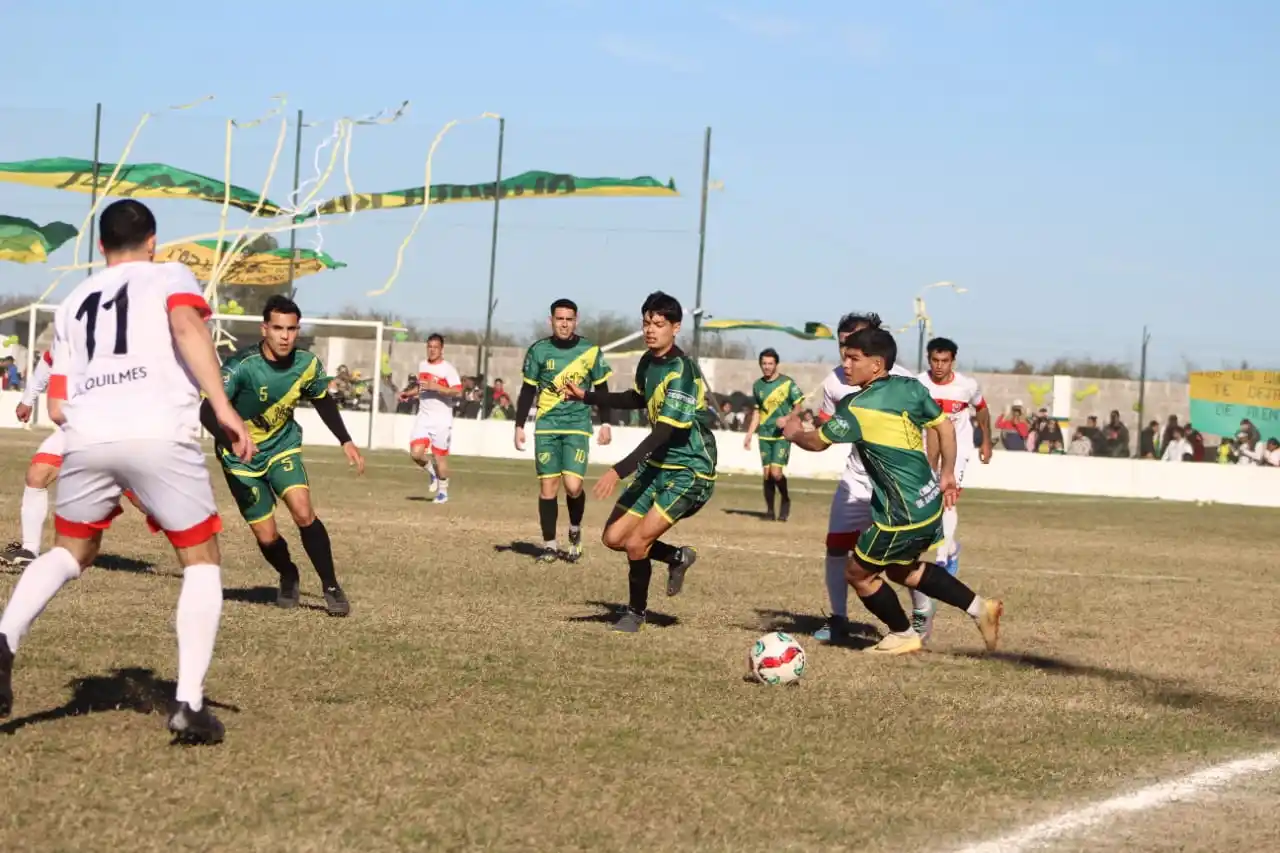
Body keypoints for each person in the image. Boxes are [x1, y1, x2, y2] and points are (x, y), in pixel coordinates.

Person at [0, 199, 254, 744]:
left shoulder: (73, 301)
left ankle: (4, 638)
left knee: (70, 552)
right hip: (159, 431)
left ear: (100, 247)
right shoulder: (170, 275)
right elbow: (187, 328)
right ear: (153, 240)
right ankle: (187, 702)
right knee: (201, 559)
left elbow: (59, 406)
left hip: (87, 436)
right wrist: (224, 407)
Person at [781, 326, 1003, 655]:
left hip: (901, 514)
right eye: (845, 356)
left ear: (876, 364)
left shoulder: (856, 406)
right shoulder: (909, 388)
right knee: (902, 569)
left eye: (854, 358)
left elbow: (816, 442)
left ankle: (902, 633)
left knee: (858, 573)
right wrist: (946, 476)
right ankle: (981, 609)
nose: (846, 364)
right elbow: (943, 426)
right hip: (929, 503)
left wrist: (794, 431)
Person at [201, 295, 363, 617]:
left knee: (303, 511)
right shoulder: (241, 367)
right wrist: (230, 439)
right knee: (266, 534)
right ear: (265, 329)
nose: (285, 336)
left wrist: (345, 440)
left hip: (281, 446)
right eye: (278, 328)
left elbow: (322, 399)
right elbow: (206, 411)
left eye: (291, 329)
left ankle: (331, 586)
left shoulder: (307, 364)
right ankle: (288, 573)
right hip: (240, 459)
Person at [563, 291, 710, 633]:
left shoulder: (683, 371)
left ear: (676, 327)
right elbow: (636, 398)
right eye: (646, 323)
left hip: (689, 470)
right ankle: (676, 556)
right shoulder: (647, 362)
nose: (650, 330)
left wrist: (618, 470)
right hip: (657, 466)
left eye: (659, 324)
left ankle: (635, 613)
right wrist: (587, 395)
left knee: (635, 543)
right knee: (613, 537)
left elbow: (663, 432)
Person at [812, 311, 921, 644]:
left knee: (903, 557)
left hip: (895, 479)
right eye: (842, 343)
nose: (846, 352)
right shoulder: (833, 381)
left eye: (853, 343)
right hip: (857, 475)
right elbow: (827, 426)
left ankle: (917, 619)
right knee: (836, 548)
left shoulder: (904, 381)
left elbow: (925, 429)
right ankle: (838, 619)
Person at [2, 352, 149, 567]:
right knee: (36, 476)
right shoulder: (68, 334)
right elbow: (47, 363)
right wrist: (27, 400)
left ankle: (192, 536)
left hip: (109, 430)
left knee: (143, 499)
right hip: (73, 427)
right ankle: (29, 551)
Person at [514, 298, 613, 563]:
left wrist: (605, 422)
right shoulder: (538, 351)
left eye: (569, 319)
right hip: (546, 425)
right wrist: (519, 425)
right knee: (548, 487)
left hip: (577, 426)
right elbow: (527, 390)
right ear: (551, 321)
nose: (564, 324)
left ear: (576, 321)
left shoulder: (590, 351)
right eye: (560, 319)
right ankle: (549, 545)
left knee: (572, 486)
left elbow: (602, 389)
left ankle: (575, 529)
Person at [913, 336, 992, 642]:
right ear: (928, 359)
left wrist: (985, 440)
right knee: (924, 503)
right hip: (922, 452)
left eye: (945, 361)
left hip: (956, 452)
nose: (939, 366)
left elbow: (982, 411)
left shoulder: (967, 386)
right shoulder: (918, 384)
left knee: (948, 498)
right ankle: (946, 547)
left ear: (953, 361)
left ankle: (945, 554)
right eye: (934, 360)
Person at [743, 348, 804, 521]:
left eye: (770, 363)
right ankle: (769, 511)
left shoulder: (787, 383)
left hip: (781, 435)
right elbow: (757, 412)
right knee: (767, 474)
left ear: (776, 364)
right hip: (764, 434)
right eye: (764, 363)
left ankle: (785, 500)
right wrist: (749, 434)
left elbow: (799, 406)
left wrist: (787, 418)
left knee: (776, 473)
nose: (767, 367)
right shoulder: (757, 386)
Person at [399, 334, 462, 503]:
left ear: (441, 349)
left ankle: (443, 492)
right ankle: (432, 474)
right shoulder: (423, 365)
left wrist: (438, 387)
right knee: (416, 453)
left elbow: (457, 390)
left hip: (442, 420)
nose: (432, 350)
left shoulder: (447, 369)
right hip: (424, 416)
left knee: (439, 457)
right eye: (429, 347)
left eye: (435, 347)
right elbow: (422, 388)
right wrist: (409, 394)